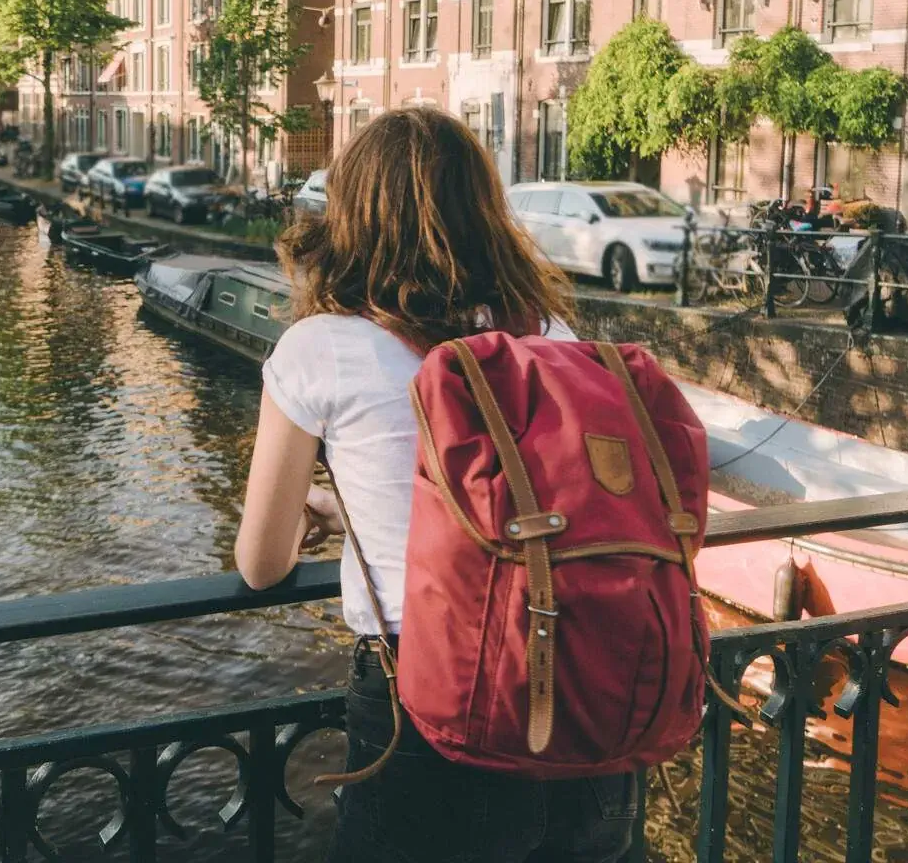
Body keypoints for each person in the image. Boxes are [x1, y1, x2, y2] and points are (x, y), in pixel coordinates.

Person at [234, 107, 642, 863]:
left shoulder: (320, 348)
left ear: (352, 215)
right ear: (486, 210)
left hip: (426, 703)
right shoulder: (552, 335)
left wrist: (319, 508)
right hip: (576, 692)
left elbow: (261, 563)